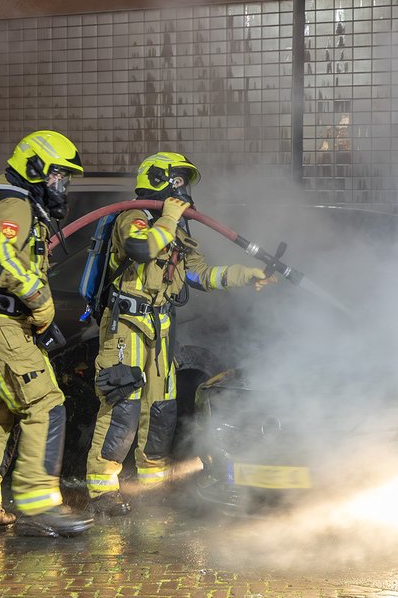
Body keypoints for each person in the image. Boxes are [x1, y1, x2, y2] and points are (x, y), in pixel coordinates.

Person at [85, 151, 275, 516]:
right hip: (126, 326)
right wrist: (169, 218)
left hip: (162, 327)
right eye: (177, 180)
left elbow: (199, 275)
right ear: (157, 180)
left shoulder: (176, 229)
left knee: (161, 408)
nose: (183, 189)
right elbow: (141, 249)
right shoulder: (133, 218)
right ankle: (101, 489)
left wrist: (246, 273)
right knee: (122, 406)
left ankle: (151, 487)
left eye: (184, 182)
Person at [0, 130, 94, 538]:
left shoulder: (4, 199)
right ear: (33, 167)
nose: (61, 184)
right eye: (56, 175)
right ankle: (39, 504)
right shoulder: (14, 201)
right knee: (47, 404)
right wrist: (40, 301)